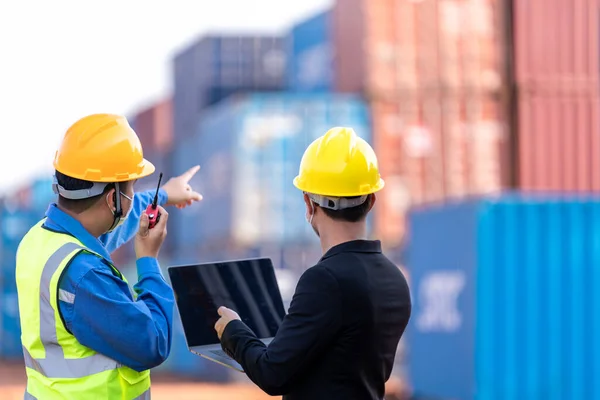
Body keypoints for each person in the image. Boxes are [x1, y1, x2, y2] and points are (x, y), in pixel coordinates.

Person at [214, 127, 412, 399]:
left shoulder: (324, 280)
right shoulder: (394, 279)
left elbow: (272, 373)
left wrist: (233, 331)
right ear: (372, 200)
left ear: (308, 203)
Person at [15, 114, 202, 400]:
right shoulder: (84, 275)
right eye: (131, 186)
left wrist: (163, 195)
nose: (133, 192)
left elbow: (111, 224)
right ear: (113, 199)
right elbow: (153, 343)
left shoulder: (41, 239)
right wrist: (148, 262)